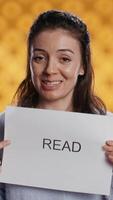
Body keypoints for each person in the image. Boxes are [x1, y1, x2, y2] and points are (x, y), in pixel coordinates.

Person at [0, 9, 113, 200]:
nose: (50, 70)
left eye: (64, 59)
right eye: (39, 58)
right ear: (29, 62)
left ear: (83, 66)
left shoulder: (109, 130)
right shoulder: (4, 126)